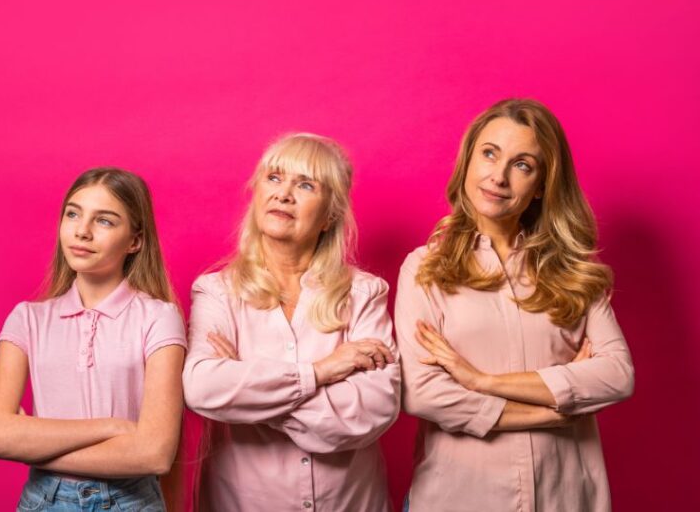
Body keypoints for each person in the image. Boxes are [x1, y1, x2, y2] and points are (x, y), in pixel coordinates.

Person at [395, 98, 634, 512]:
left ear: (542, 184)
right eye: (489, 154)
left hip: (566, 496)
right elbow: (423, 393)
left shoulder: (575, 272)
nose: (499, 177)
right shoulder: (424, 268)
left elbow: (617, 375)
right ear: (468, 160)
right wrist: (552, 409)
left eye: (522, 165)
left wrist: (480, 381)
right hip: (460, 497)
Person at [183, 133, 400, 511]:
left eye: (305, 184)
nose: (284, 194)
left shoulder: (365, 293)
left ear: (330, 214)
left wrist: (247, 388)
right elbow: (203, 387)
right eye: (274, 178)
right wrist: (319, 373)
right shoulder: (216, 291)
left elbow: (374, 410)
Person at [0, 167, 186, 511]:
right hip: (44, 501)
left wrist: (32, 441)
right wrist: (113, 427)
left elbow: (155, 453)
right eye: (73, 214)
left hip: (129, 501)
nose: (82, 231)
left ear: (135, 240)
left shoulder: (158, 317)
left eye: (104, 221)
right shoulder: (28, 318)